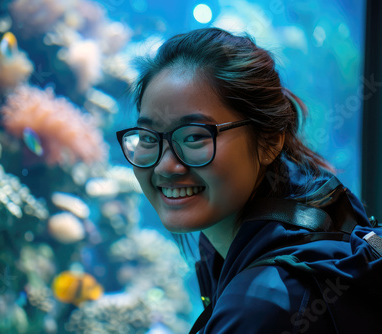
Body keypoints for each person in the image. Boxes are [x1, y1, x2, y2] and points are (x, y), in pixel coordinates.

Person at [116, 28, 381, 333]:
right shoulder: (322, 202)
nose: (165, 165)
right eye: (149, 137)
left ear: (270, 140)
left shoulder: (261, 307)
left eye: (194, 136)